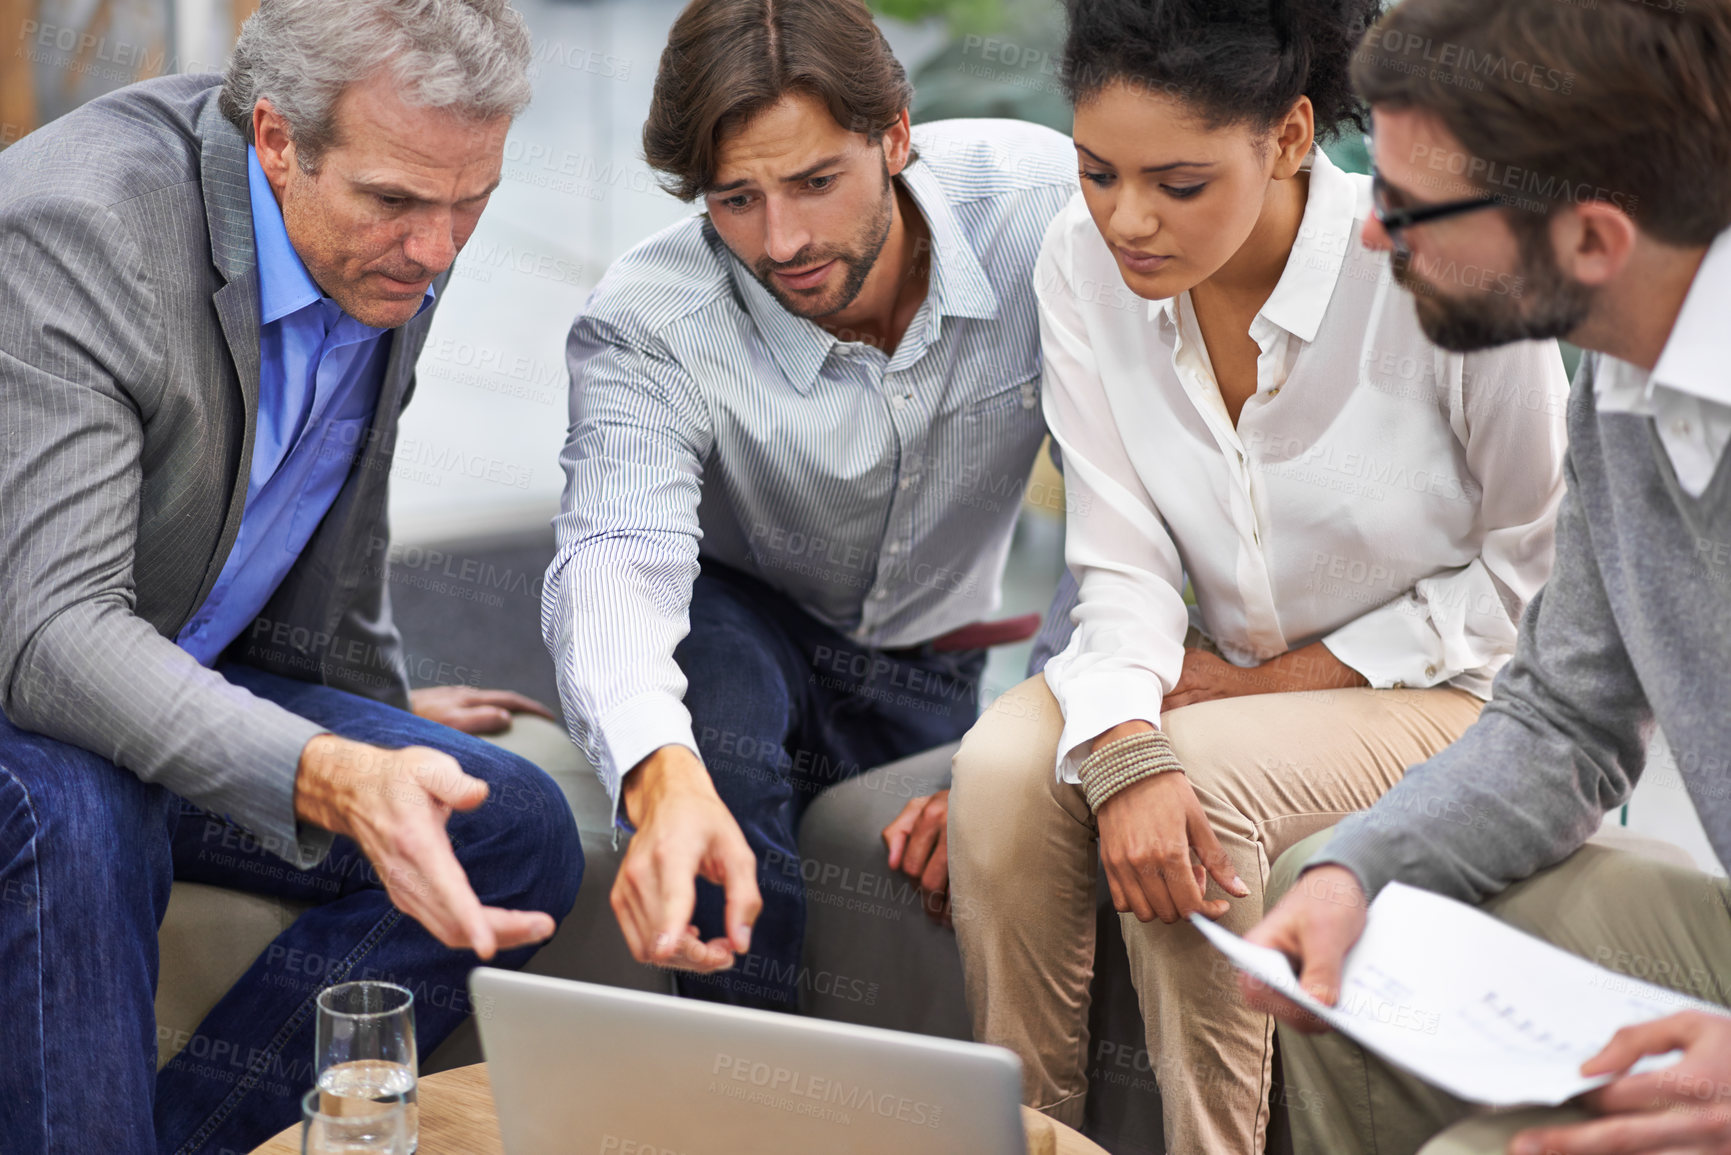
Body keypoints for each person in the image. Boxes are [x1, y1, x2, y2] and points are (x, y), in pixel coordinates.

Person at [938, 0, 1574, 1150]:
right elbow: (1120, 561)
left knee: (1205, 787)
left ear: (1288, 137)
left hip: (1458, 693)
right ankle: (1022, 1137)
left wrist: (1290, 678)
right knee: (997, 768)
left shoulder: (1441, 264)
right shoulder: (1080, 266)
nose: (1128, 218)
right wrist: (1122, 747)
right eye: (1096, 171)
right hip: (1223, 677)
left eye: (1178, 184)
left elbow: (1540, 570)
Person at [0, 2, 584, 1152]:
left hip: (167, 660)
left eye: (474, 202)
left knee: (510, 825)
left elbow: (321, 498)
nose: (438, 249)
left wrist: (377, 720)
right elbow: (51, 633)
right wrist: (326, 770)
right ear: (275, 139)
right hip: (27, 683)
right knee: (81, 809)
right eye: (401, 202)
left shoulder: (395, 222)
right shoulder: (76, 234)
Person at [1240, 1, 1731, 1153]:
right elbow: (1566, 718)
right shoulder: (1623, 389)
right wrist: (1358, 868)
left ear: (1595, 241)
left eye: (1410, 210)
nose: (1370, 234)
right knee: (1346, 900)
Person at [541, 0, 1075, 1009]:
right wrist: (660, 771)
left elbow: (1127, 511)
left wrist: (1035, 738)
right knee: (718, 759)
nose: (781, 241)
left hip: (933, 658)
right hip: (740, 619)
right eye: (736, 199)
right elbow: (615, 551)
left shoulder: (1042, 212)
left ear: (897, 138)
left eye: (816, 182)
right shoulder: (649, 316)